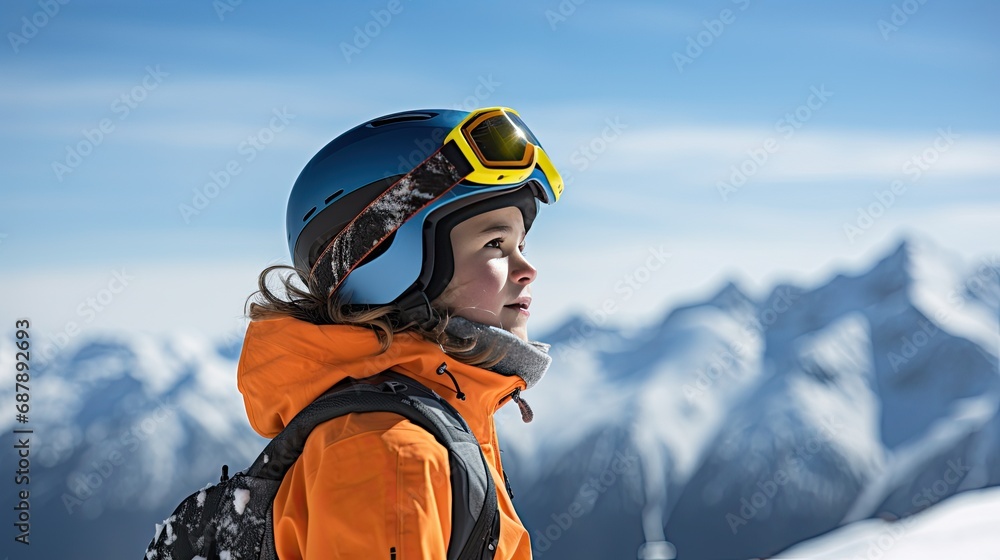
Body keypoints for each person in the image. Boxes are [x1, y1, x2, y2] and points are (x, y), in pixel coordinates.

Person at [237, 107, 564, 558]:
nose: (528, 270)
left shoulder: (431, 417)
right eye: (495, 244)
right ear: (388, 260)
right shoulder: (390, 453)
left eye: (522, 244)